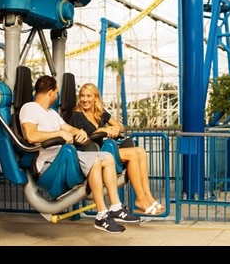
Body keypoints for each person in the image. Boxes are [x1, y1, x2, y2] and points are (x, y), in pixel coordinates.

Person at [19, 75, 140, 234]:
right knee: (95, 160)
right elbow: (31, 136)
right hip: (48, 163)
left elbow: (68, 128)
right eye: (56, 92)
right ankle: (102, 214)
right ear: (50, 93)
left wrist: (80, 132)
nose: (57, 96)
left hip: (62, 156)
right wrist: (59, 134)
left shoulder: (51, 113)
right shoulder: (30, 107)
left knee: (107, 158)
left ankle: (116, 207)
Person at [67, 83, 164, 215]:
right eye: (82, 96)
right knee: (133, 155)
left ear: (96, 98)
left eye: (88, 96)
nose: (85, 99)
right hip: (91, 155)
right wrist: (101, 130)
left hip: (104, 151)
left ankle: (148, 196)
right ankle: (140, 199)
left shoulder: (100, 113)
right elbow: (81, 140)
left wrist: (115, 129)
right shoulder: (76, 116)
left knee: (141, 151)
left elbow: (120, 126)